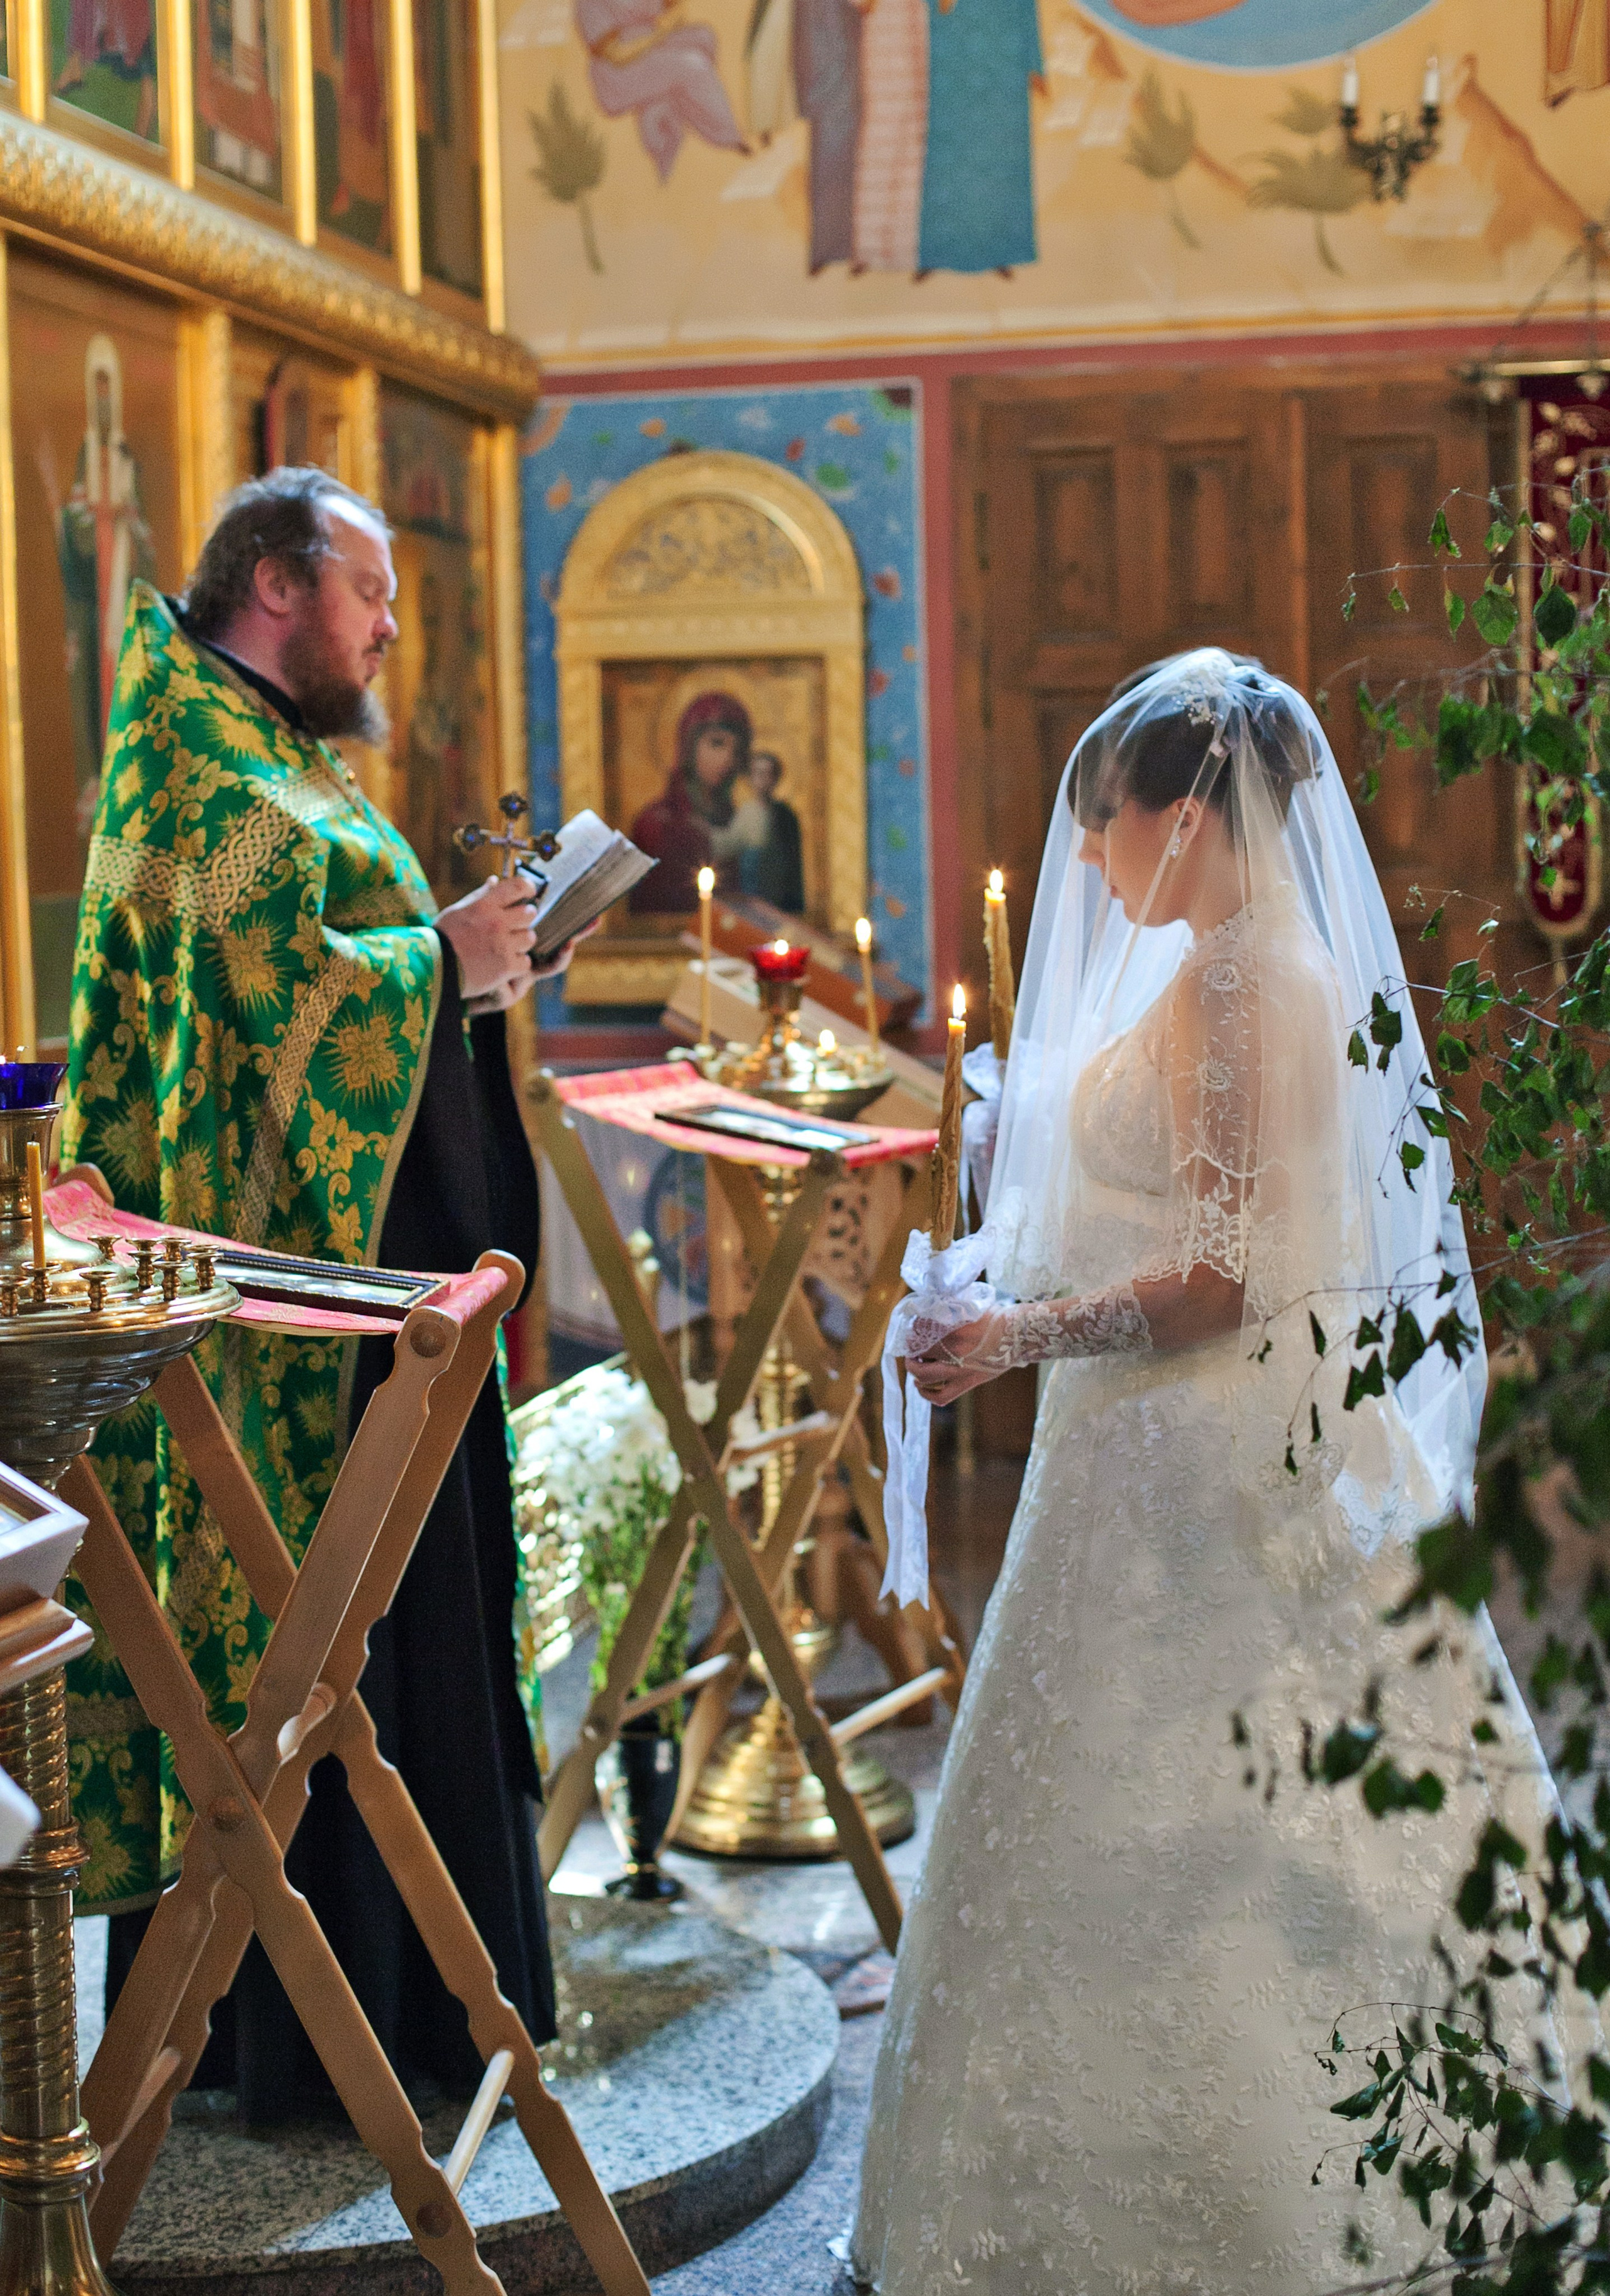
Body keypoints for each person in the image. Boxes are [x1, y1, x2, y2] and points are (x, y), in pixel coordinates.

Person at [848, 650, 1582, 2290]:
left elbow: (1229, 1278)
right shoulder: (1243, 971)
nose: (1095, 864)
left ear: (1188, 821)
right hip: (1173, 1439)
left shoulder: (1243, 989)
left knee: (1182, 1814)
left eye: (1109, 828)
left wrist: (1016, 1337)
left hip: (1200, 1451)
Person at [61, 466, 579, 2123]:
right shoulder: (199, 774)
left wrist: (457, 958)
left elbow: (324, 965)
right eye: (371, 592)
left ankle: (427, 1996)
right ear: (277, 585)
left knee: (403, 1629)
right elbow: (252, 1026)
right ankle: (306, 2026)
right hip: (280, 1341)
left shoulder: (263, 752)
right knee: (311, 1645)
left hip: (379, 1312)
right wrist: (445, 956)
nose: (389, 627)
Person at [916, 0, 1042, 277]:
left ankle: (1001, 253)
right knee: (946, 160)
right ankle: (937, 254)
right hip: (951, 58)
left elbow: (1027, 8)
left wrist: (1034, 62)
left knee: (999, 161)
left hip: (1003, 65)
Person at [628, 688, 751, 912]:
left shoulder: (741, 822)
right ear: (689, 745)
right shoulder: (655, 825)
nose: (728, 759)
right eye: (716, 743)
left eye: (737, 750)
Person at [732, 748, 806, 911]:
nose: (763, 779)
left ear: (776, 778)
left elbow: (792, 864)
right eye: (758, 773)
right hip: (750, 887)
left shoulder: (785, 816)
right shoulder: (746, 812)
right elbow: (731, 844)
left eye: (768, 774)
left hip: (779, 894)